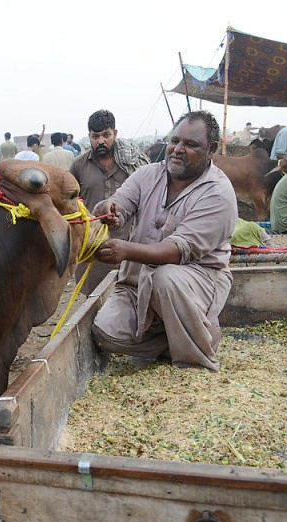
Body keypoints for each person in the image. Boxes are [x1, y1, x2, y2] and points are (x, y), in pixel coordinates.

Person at [89, 110, 237, 372]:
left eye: (191, 145)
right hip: (137, 283)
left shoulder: (218, 193)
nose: (178, 149)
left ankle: (195, 357)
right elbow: (121, 203)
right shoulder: (147, 175)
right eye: (175, 141)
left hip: (197, 281)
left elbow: (178, 249)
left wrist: (126, 250)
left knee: (166, 278)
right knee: (106, 333)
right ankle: (176, 339)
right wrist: (111, 210)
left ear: (211, 149)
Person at [69, 109, 151, 293]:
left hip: (131, 247)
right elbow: (70, 203)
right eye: (95, 136)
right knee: (93, 303)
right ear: (89, 136)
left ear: (115, 133)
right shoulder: (79, 165)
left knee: (134, 297)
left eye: (106, 135)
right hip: (93, 250)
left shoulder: (133, 163)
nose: (100, 141)